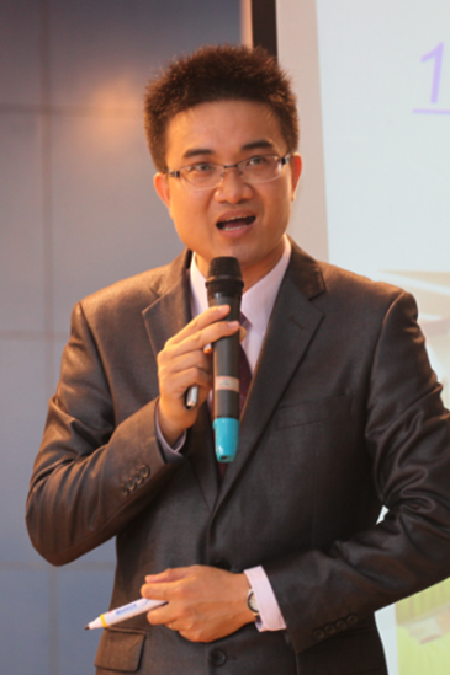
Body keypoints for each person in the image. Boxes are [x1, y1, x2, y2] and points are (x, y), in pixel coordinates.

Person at [26, 45, 450, 675]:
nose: (232, 189)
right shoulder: (106, 322)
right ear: (165, 189)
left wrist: (260, 596)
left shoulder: (373, 319)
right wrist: (160, 426)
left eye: (256, 160)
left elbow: (437, 520)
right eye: (201, 167)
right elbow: (52, 525)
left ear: (294, 172)